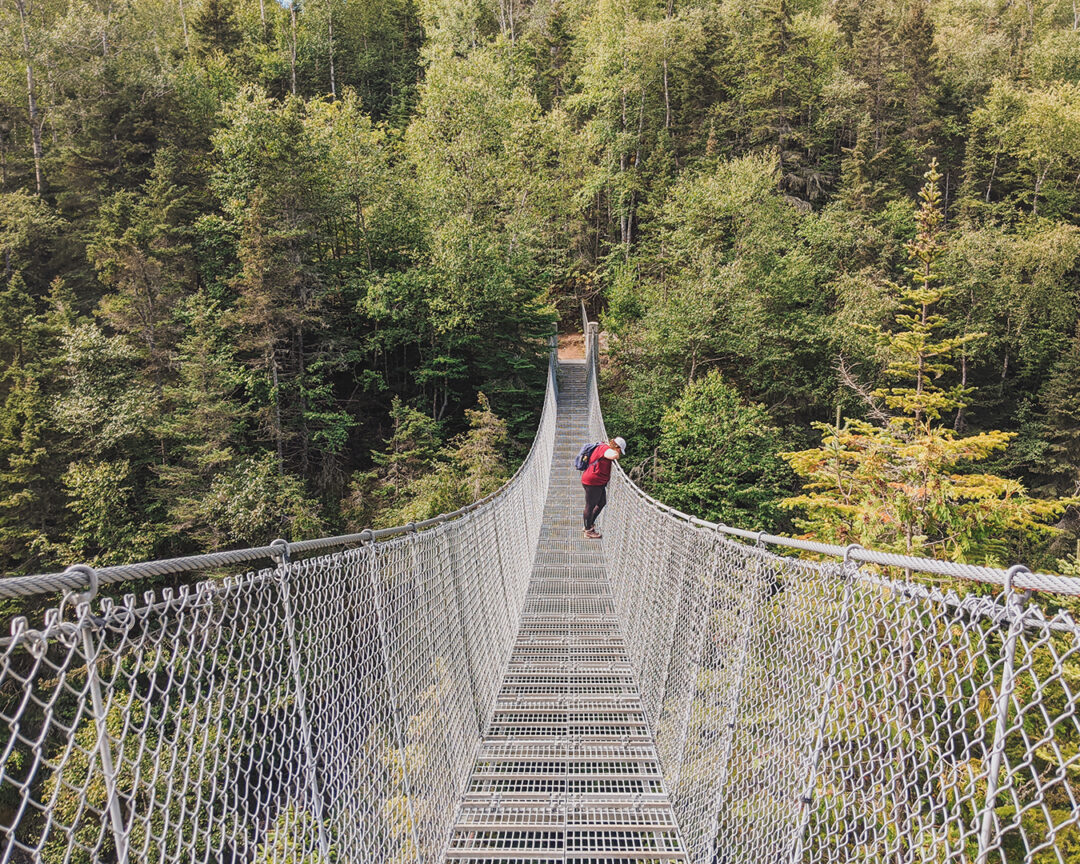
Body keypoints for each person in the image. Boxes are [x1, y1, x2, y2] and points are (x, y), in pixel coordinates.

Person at [581, 436, 626, 539]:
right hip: (593, 481)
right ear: (617, 447)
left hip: (596, 481)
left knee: (602, 502)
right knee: (590, 505)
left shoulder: (603, 445)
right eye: (620, 450)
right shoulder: (607, 450)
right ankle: (588, 531)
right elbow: (613, 455)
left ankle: (589, 524)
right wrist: (617, 452)